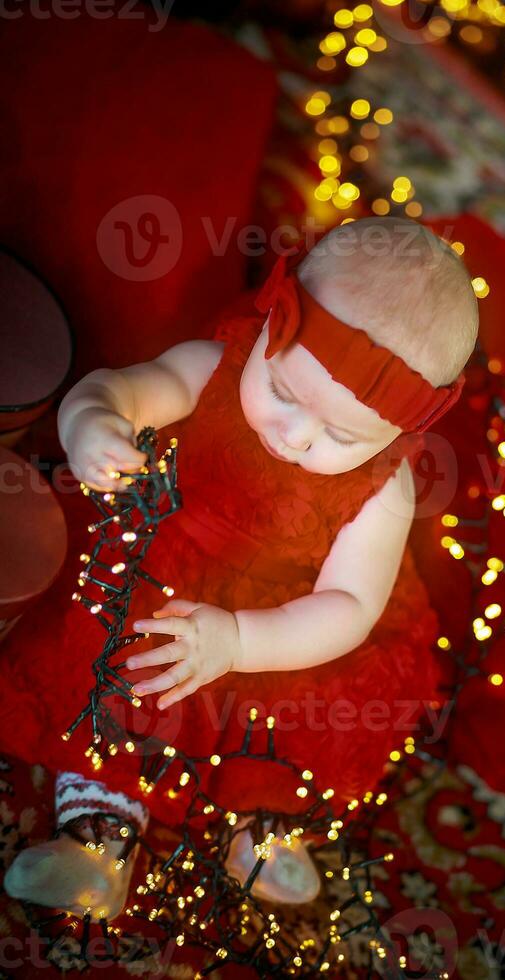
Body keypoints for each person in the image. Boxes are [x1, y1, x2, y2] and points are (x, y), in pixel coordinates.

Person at [2, 216, 478, 919]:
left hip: (282, 628)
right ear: (267, 328)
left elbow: (348, 604)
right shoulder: (214, 367)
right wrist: (91, 425)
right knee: (112, 674)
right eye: (285, 392)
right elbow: (127, 388)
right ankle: (98, 840)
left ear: (395, 436)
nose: (295, 434)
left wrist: (241, 642)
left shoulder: (384, 489)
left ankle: (267, 831)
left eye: (339, 435)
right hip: (150, 563)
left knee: (300, 730)